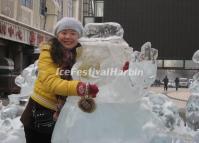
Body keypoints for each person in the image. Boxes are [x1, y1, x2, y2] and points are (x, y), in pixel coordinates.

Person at [20, 17, 99, 143]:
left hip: (63, 111)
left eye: (73, 33)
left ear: (79, 36)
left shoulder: (80, 54)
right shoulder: (48, 52)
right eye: (64, 32)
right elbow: (51, 82)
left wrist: (117, 67)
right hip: (40, 110)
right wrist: (81, 88)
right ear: (57, 35)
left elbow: (93, 71)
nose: (68, 36)